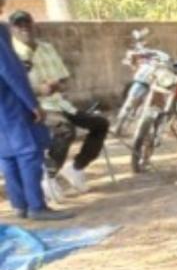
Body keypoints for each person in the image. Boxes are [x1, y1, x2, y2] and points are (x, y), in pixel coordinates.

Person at [9, 11, 109, 195]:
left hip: (59, 103)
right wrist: (39, 90)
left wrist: (58, 85)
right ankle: (49, 177)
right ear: (12, 29)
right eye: (19, 25)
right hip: (34, 107)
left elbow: (64, 78)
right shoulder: (11, 53)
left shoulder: (46, 48)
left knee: (100, 123)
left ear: (33, 24)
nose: (24, 28)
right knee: (65, 129)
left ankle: (76, 168)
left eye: (27, 23)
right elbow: (11, 87)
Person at [0, 0, 71, 222]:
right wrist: (32, 103)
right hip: (10, 102)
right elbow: (11, 71)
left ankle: (20, 205)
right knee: (29, 152)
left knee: (8, 155)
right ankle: (36, 206)